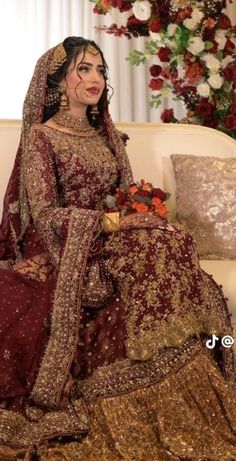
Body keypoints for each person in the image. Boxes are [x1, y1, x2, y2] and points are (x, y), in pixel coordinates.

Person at [0, 36, 236, 461]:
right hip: (68, 247)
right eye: (84, 69)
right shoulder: (41, 137)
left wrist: (146, 214)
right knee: (155, 254)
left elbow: (126, 195)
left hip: (114, 235)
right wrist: (117, 222)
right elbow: (47, 214)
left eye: (100, 70)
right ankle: (154, 381)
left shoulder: (107, 134)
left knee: (174, 241)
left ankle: (193, 369)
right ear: (57, 81)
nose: (95, 79)